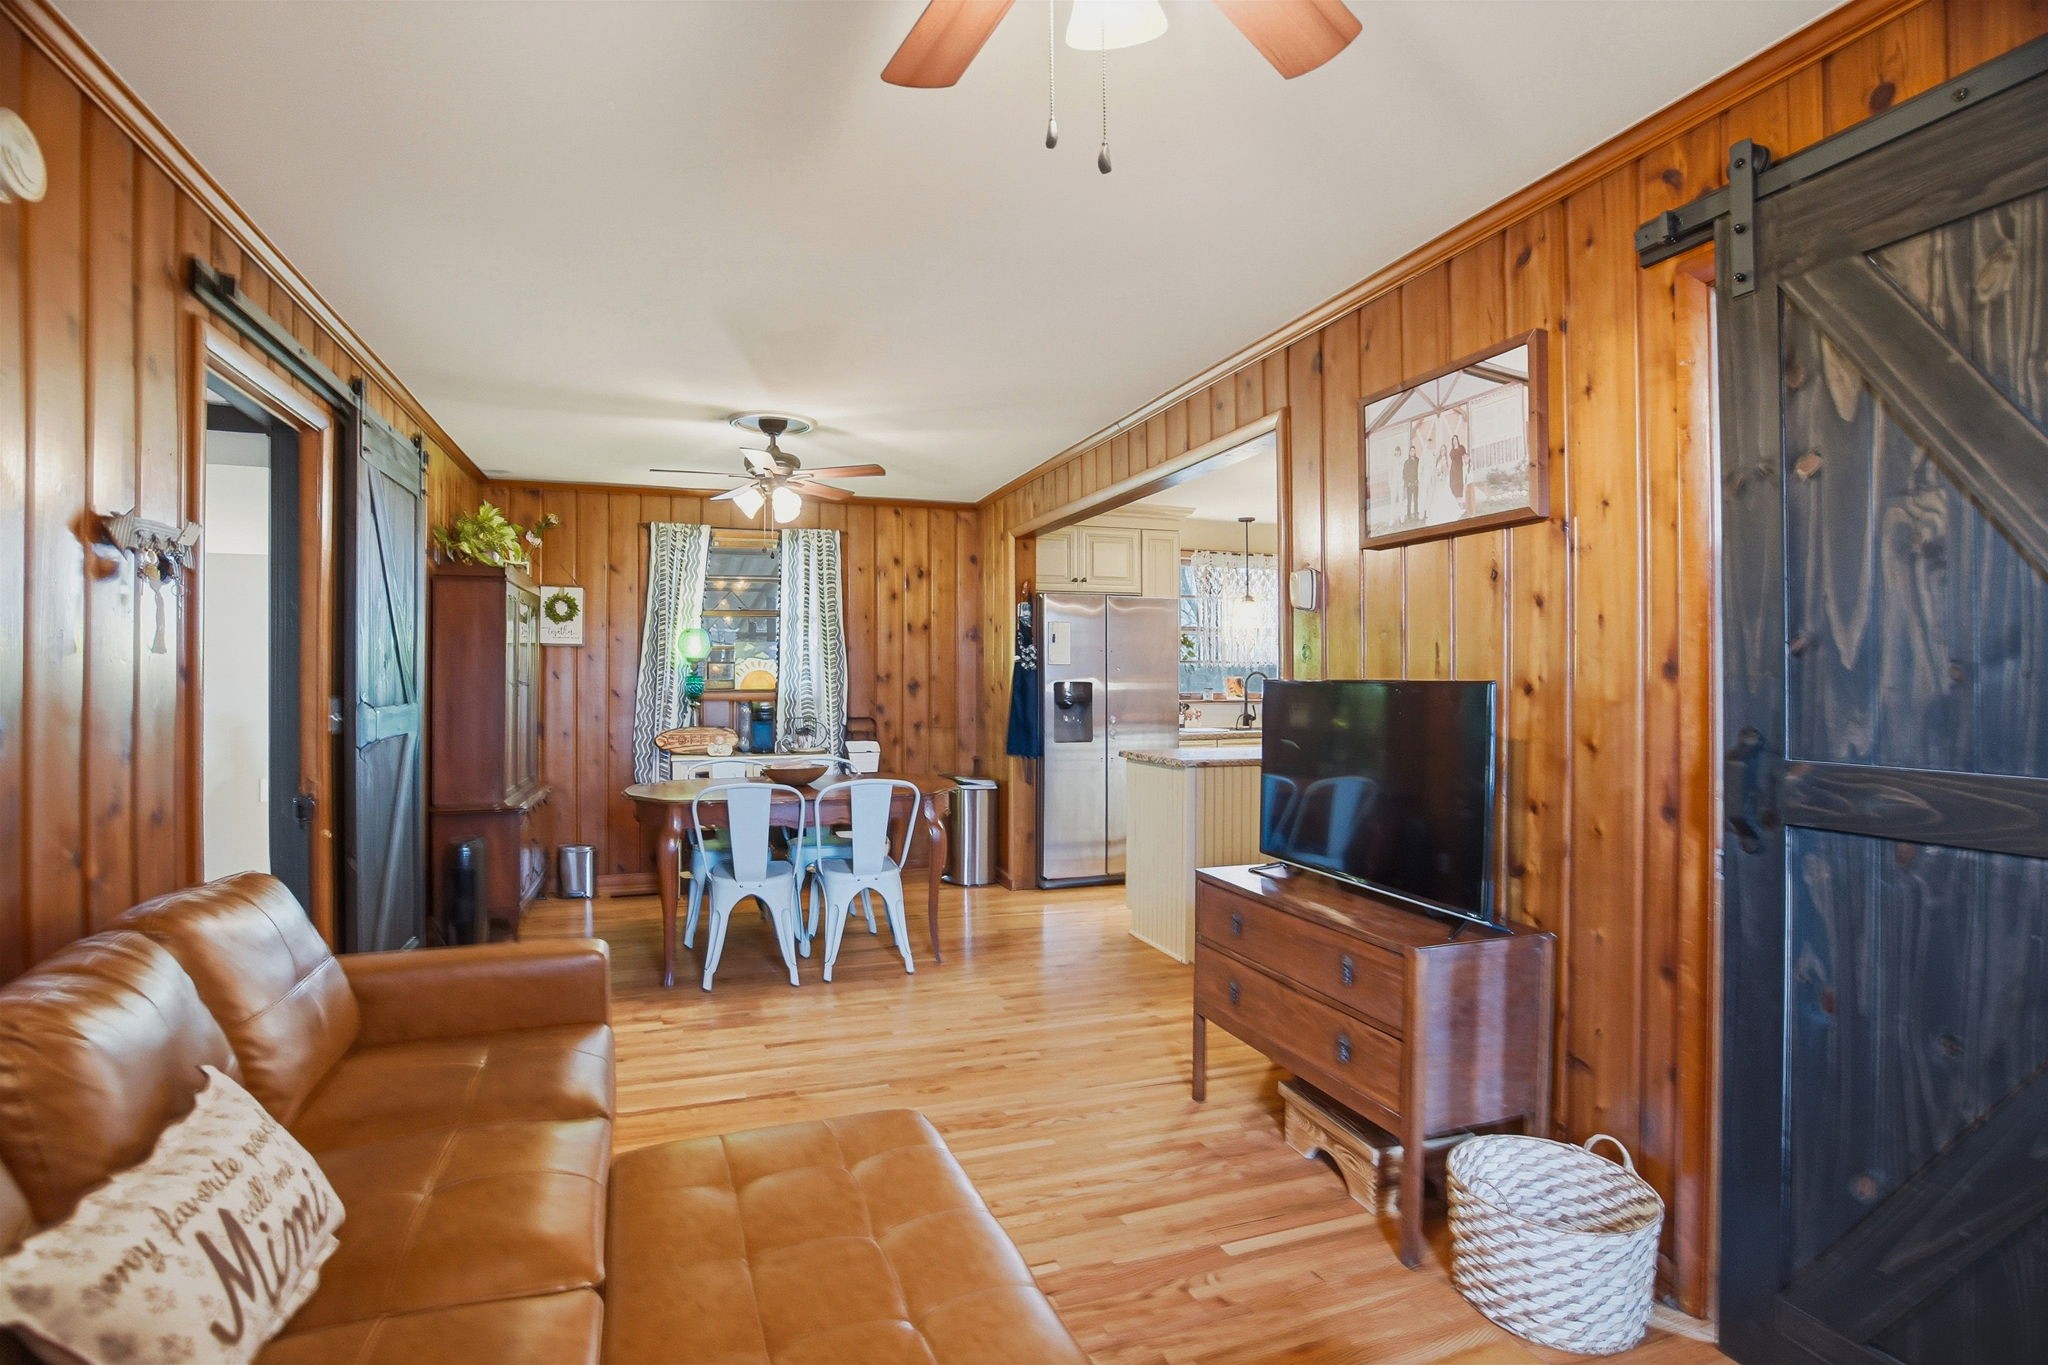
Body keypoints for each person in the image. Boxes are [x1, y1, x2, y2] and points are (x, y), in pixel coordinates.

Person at [1401, 445, 1421, 523]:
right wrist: (1407, 483)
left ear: (1415, 452)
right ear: (1409, 452)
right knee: (1409, 500)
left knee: (1416, 500)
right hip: (1409, 484)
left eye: (1414, 450)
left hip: (1415, 483)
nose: (1412, 452)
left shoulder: (1418, 461)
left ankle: (1416, 514)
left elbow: (1419, 471)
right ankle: (1409, 515)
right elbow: (1404, 474)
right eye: (1411, 451)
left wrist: (1417, 480)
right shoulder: (1406, 462)